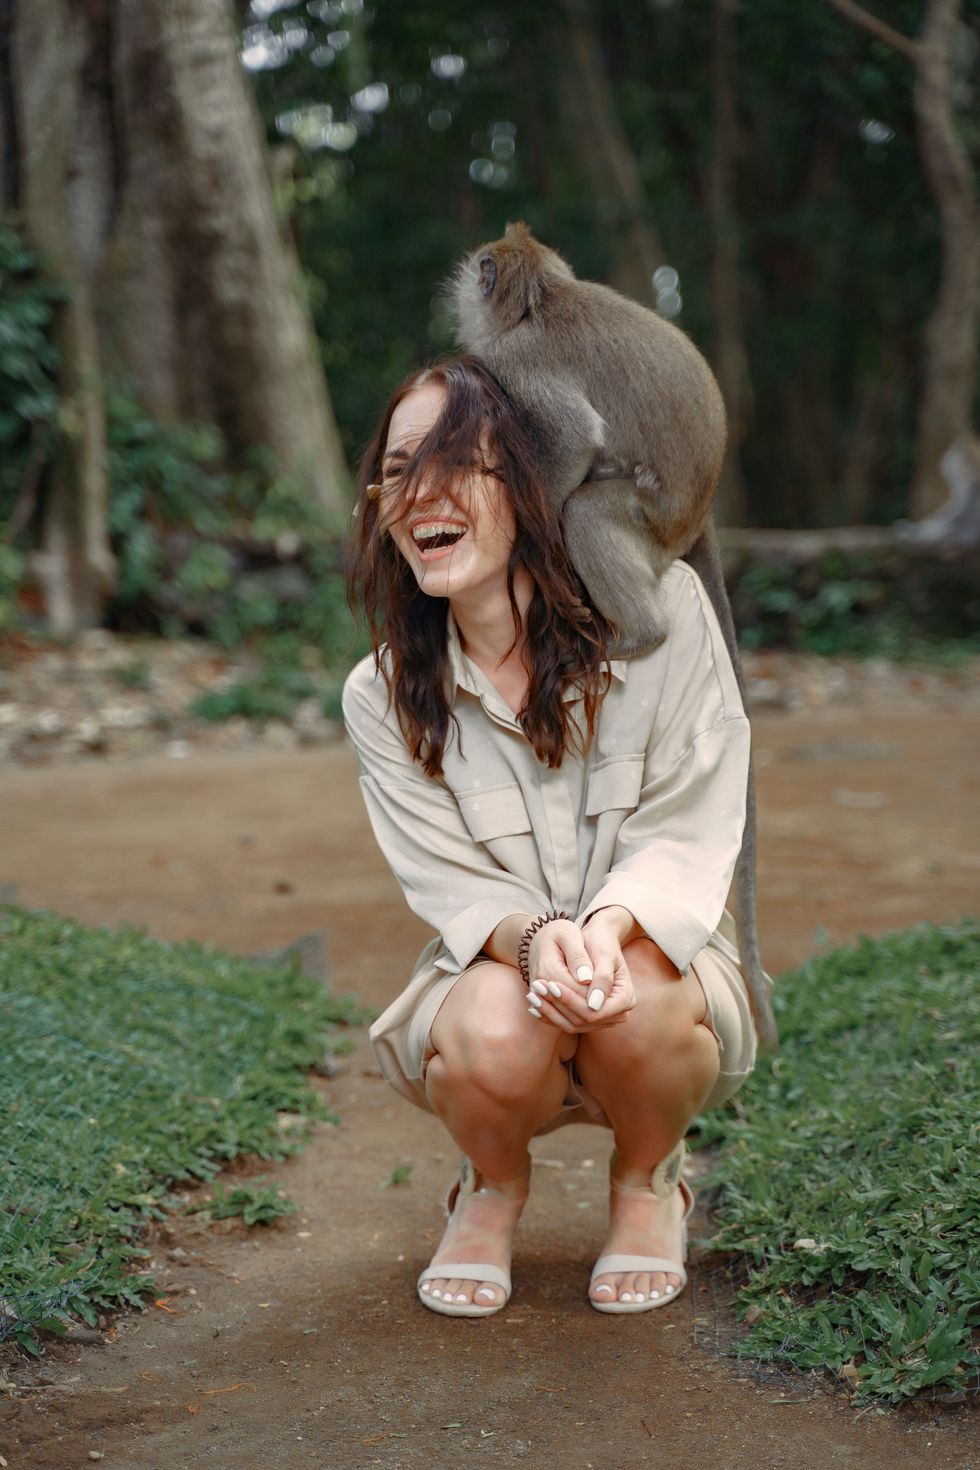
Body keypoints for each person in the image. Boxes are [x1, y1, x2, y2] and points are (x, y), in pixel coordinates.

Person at [342, 355, 768, 1318]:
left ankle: (646, 1182)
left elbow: (690, 826)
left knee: (645, 1008)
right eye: (399, 469)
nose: (420, 494)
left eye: (457, 462)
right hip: (497, 980)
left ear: (533, 486)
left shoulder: (666, 621)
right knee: (493, 1029)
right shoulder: (380, 694)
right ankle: (489, 1187)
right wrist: (538, 944)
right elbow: (448, 882)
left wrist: (607, 931)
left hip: (654, 968)